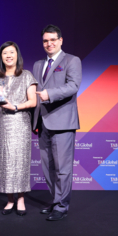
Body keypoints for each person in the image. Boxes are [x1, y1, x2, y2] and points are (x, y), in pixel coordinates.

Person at [32, 24, 82, 221]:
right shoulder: (37, 64)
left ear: (60, 40)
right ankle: (55, 200)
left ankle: (62, 205)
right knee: (48, 168)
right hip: (42, 123)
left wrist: (49, 94)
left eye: (53, 40)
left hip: (63, 122)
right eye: (45, 40)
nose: (49, 43)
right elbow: (33, 93)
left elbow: (73, 86)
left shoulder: (71, 60)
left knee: (63, 168)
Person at [0, 41, 37, 216]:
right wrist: (0, 100)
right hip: (2, 123)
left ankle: (21, 198)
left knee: (20, 160)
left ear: (17, 55)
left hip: (20, 123)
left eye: (11, 52)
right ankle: (10, 199)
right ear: (1, 57)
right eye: (5, 53)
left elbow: (33, 101)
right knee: (5, 161)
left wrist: (15, 106)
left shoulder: (27, 75)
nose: (8, 56)